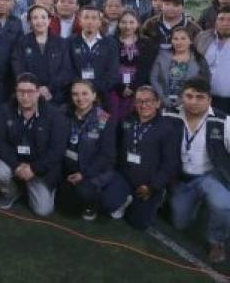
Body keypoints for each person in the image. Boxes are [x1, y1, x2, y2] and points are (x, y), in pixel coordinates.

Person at [168, 78, 230, 263]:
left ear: (209, 99)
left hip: (211, 177)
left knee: (224, 205)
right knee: (180, 224)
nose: (193, 101)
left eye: (200, 97)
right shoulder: (170, 116)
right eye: (189, 96)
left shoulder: (223, 121)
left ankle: (216, 241)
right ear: (182, 97)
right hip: (182, 179)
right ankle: (194, 201)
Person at [0, 73, 66, 216]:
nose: (25, 96)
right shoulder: (4, 110)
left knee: (43, 210)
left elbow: (57, 150)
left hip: (40, 167)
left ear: (38, 93)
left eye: (30, 92)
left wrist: (34, 168)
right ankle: (12, 192)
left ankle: (39, 188)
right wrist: (17, 166)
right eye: (21, 92)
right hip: (15, 162)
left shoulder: (54, 115)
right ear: (15, 92)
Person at [111, 87, 179, 229]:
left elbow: (170, 162)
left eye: (148, 101)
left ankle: (157, 198)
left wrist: (153, 186)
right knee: (107, 204)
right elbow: (115, 148)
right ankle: (123, 196)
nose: (143, 105)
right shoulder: (126, 121)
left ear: (158, 103)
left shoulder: (167, 128)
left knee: (138, 223)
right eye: (139, 101)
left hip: (148, 184)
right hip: (123, 178)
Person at [58, 80, 125, 221]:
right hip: (68, 167)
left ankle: (99, 201)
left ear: (94, 96)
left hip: (92, 170)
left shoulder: (104, 119)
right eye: (75, 94)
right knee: (63, 205)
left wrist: (83, 174)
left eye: (85, 93)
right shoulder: (64, 112)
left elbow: (107, 156)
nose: (80, 98)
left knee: (80, 197)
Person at [11, 5, 72, 105]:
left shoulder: (62, 43)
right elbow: (18, 69)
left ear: (49, 20)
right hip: (28, 94)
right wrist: (35, 89)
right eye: (35, 18)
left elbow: (66, 70)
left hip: (56, 95)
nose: (39, 21)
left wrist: (49, 88)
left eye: (43, 17)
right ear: (29, 22)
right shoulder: (21, 43)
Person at [108, 10, 156, 120]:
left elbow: (146, 68)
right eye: (123, 22)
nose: (127, 26)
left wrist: (133, 86)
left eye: (131, 22)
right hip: (115, 84)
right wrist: (120, 86)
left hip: (138, 84)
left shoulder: (147, 43)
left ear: (138, 23)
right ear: (118, 24)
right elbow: (108, 66)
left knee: (132, 116)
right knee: (112, 115)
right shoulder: (110, 42)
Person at [150, 27, 211, 111]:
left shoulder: (199, 59)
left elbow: (204, 82)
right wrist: (163, 98)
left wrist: (183, 99)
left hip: (189, 104)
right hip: (163, 103)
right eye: (175, 39)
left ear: (191, 41)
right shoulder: (162, 56)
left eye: (183, 38)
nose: (179, 42)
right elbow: (154, 78)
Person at [68, 6, 119, 101]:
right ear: (80, 21)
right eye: (86, 17)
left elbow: (113, 72)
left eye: (94, 18)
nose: (90, 21)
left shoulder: (110, 43)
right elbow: (68, 69)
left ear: (100, 22)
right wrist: (81, 89)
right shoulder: (70, 42)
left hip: (102, 94)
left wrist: (95, 89)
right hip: (76, 95)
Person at [195, 6, 230, 114]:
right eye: (221, 19)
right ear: (215, 21)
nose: (225, 23)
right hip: (205, 98)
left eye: (229, 20)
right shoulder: (202, 37)